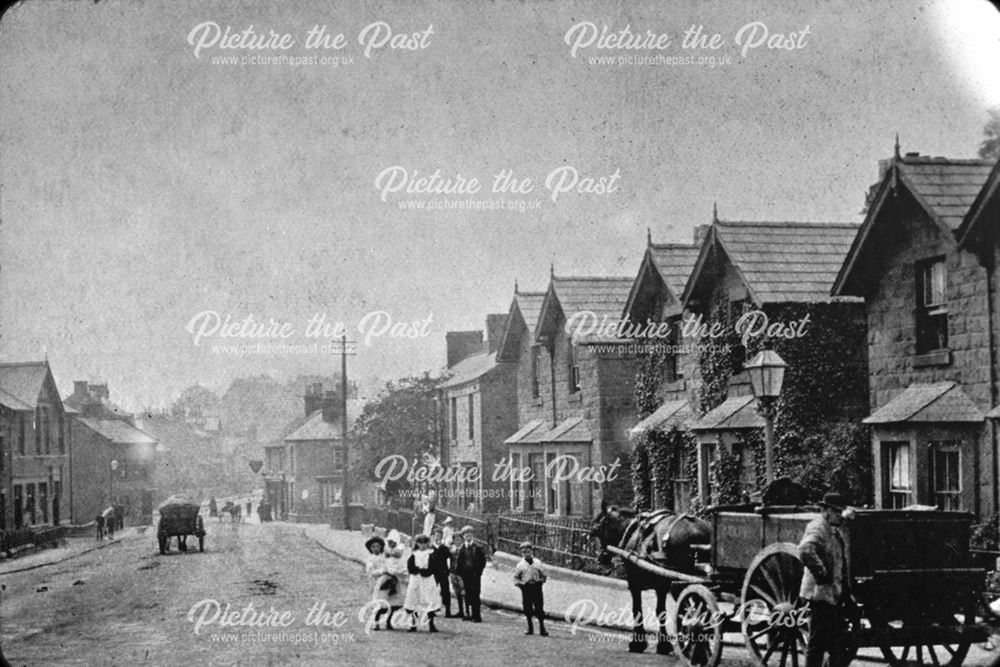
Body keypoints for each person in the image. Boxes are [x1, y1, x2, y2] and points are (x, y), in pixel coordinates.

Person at [799, 492, 851, 667]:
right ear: (827, 511)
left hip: (831, 596)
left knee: (837, 645)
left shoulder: (832, 530)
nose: (840, 515)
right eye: (837, 512)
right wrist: (821, 574)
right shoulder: (818, 527)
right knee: (817, 645)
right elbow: (805, 550)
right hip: (819, 596)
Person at [404, 534, 442, 632]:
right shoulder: (414, 554)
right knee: (414, 601)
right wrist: (417, 570)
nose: (423, 545)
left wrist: (426, 571)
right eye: (420, 543)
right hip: (416, 579)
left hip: (427, 580)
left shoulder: (431, 553)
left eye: (425, 543)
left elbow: (434, 566)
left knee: (429, 600)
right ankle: (413, 625)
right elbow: (410, 566)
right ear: (417, 544)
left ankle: (431, 625)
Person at [513, 541, 548, 636]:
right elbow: (516, 578)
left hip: (536, 587)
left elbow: (544, 574)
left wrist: (541, 581)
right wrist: (520, 585)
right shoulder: (520, 565)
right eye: (524, 552)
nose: (527, 554)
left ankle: (542, 627)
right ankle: (530, 627)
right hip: (526, 587)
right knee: (527, 608)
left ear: (532, 551)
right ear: (522, 553)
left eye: (528, 551)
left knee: (539, 607)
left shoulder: (537, 562)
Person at [456, 525, 487, 623]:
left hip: (475, 575)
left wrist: (479, 572)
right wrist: (460, 573)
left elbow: (483, 561)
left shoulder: (477, 547)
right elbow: (459, 561)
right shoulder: (462, 548)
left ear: (472, 536)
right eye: (466, 535)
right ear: (463, 537)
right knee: (467, 594)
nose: (468, 537)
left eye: (470, 535)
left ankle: (476, 615)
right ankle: (468, 614)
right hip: (465, 575)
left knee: (475, 595)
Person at [382, 530, 409, 628]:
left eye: (393, 542)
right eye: (389, 542)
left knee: (397, 602)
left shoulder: (400, 549)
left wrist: (390, 552)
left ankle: (389, 620)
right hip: (389, 579)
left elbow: (398, 553)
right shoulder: (387, 551)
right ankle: (384, 620)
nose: (391, 544)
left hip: (398, 579)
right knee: (386, 602)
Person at [364, 536, 391, 630]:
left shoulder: (384, 557)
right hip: (377, 583)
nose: (376, 549)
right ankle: (376, 623)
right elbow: (370, 572)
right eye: (373, 547)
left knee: (389, 602)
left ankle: (389, 622)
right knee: (378, 603)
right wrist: (382, 571)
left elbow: (389, 565)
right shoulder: (370, 559)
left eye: (378, 546)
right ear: (370, 549)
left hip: (386, 581)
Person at [429, 526, 452, 616]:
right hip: (433, 573)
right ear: (433, 536)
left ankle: (448, 610)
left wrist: (443, 547)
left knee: (445, 591)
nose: (438, 537)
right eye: (436, 535)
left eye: (440, 536)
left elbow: (448, 555)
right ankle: (432, 609)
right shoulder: (430, 547)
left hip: (443, 572)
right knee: (432, 591)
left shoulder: (444, 548)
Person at [448, 533, 466, 620]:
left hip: (461, 574)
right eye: (455, 540)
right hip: (453, 572)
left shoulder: (464, 549)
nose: (457, 542)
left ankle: (467, 612)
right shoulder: (452, 549)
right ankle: (461, 610)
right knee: (457, 592)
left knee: (464, 592)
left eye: (459, 540)